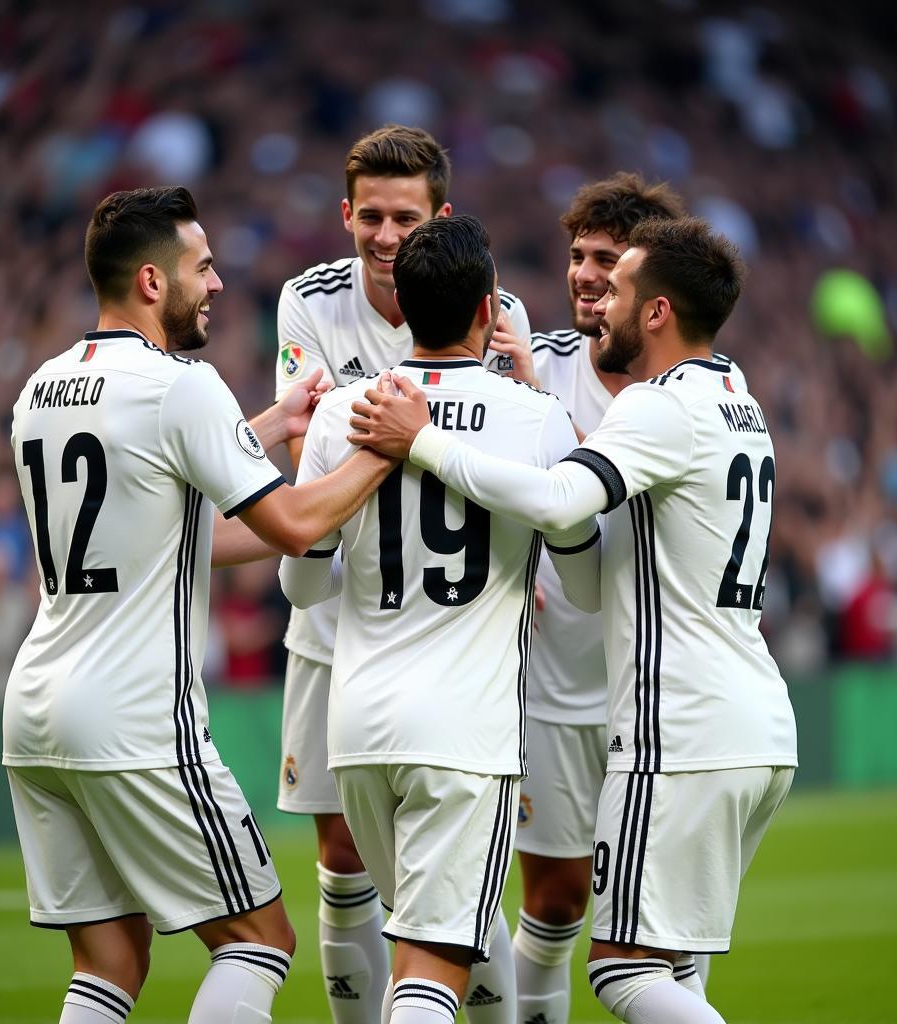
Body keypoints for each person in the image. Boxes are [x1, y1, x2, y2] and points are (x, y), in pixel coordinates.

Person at [348, 216, 798, 1024]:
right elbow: (589, 569)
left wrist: (426, 443)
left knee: (623, 972)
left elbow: (560, 498)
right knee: (675, 972)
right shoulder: (741, 403)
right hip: (755, 724)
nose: (598, 307)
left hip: (679, 729)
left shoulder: (661, 406)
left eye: (618, 290)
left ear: (656, 312)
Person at [2, 185, 395, 1024]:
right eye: (202, 267)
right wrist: (389, 452)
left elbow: (172, 520)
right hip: (134, 716)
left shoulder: (40, 389)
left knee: (110, 961)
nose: (216, 285)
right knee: (260, 940)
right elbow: (289, 525)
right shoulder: (181, 383)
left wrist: (277, 424)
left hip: (34, 710)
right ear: (152, 281)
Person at [279, 214, 588, 1024]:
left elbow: (304, 589)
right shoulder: (537, 418)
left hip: (357, 729)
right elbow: (584, 584)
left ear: (404, 309)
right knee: (432, 964)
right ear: (491, 310)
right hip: (464, 735)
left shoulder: (346, 413)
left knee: (444, 935)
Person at [491, 173, 738, 1023]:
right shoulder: (543, 360)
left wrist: (539, 412)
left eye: (608, 260)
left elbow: (589, 484)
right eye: (577, 256)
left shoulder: (693, 380)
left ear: (650, 283)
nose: (587, 275)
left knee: (664, 934)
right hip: (558, 679)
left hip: (660, 688)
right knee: (556, 903)